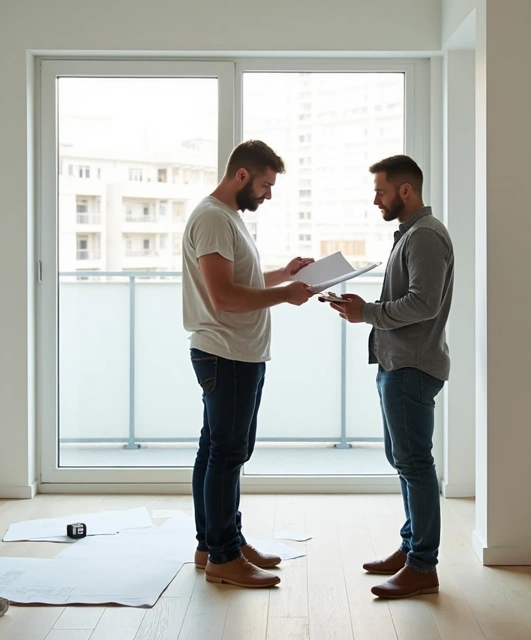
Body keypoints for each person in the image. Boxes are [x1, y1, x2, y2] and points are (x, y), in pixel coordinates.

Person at [182, 140, 314, 588]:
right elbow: (223, 297)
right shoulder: (214, 219)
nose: (268, 194)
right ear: (242, 175)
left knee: (216, 450)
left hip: (234, 353)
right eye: (265, 184)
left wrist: (285, 275)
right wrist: (285, 295)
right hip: (228, 353)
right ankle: (223, 556)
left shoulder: (226, 218)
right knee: (227, 454)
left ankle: (217, 545)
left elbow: (241, 280)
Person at [327, 154, 454, 598]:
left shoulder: (424, 236)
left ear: (405, 190)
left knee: (415, 464)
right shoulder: (412, 235)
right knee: (405, 462)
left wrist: (367, 313)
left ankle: (422, 565)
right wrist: (363, 311)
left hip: (410, 368)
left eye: (380, 191)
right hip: (399, 365)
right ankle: (411, 547)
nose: (375, 200)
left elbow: (424, 303)